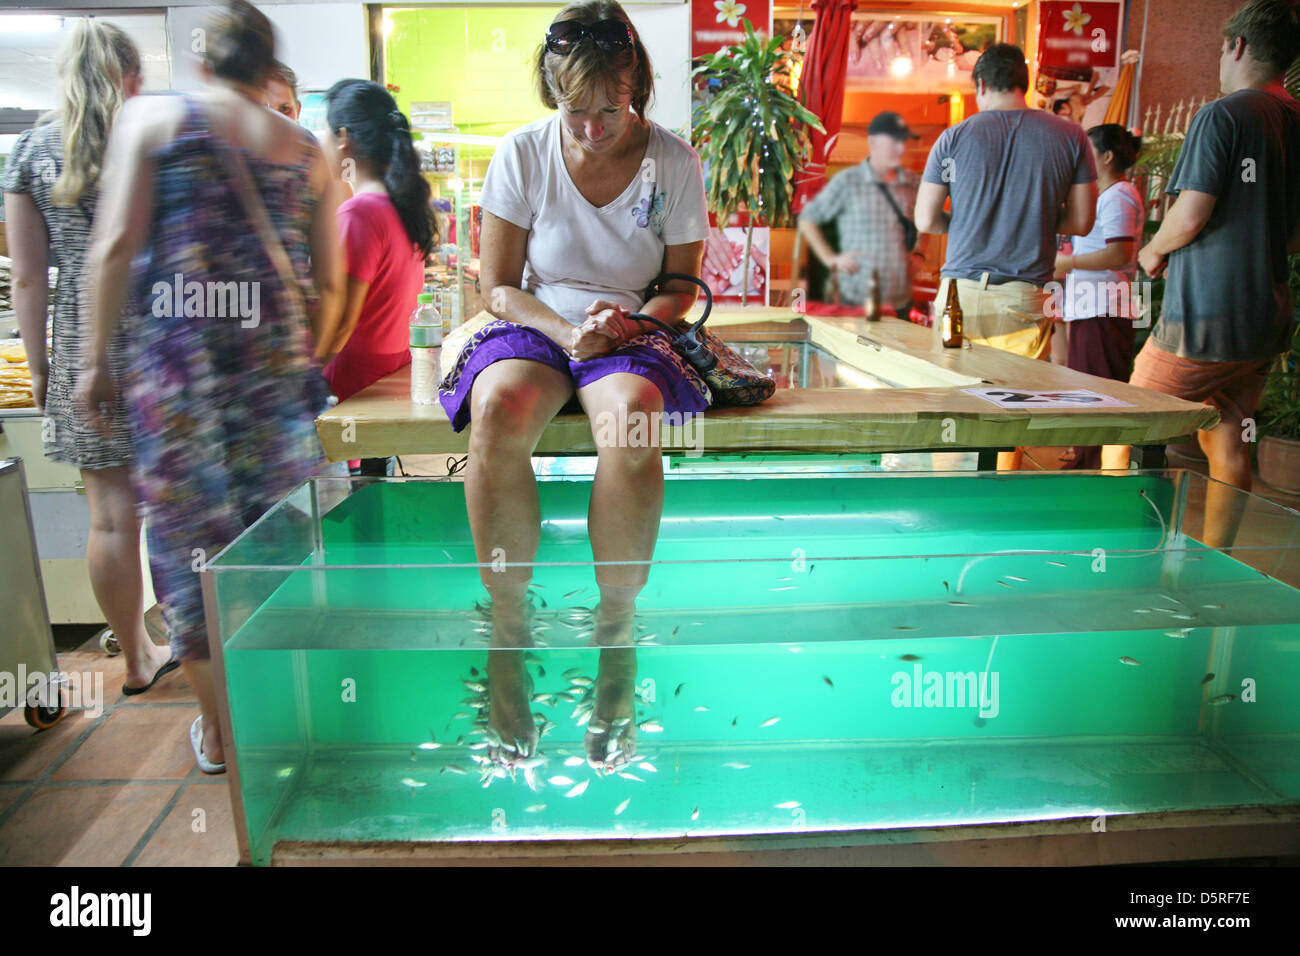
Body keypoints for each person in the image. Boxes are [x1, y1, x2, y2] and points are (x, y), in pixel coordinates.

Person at [75, 0, 345, 773]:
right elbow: (328, 281)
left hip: (179, 388)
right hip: (274, 391)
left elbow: (115, 246)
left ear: (200, 61)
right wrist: (300, 358)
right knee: (280, 552)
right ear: (268, 71)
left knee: (193, 558)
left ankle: (223, 735)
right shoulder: (306, 150)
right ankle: (286, 720)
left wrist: (94, 361)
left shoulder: (154, 124)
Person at [438, 0, 709, 769]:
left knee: (631, 421)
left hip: (629, 324)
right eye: (575, 110)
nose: (593, 128)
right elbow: (497, 286)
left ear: (639, 89)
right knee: (496, 410)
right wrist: (565, 333)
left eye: (611, 110)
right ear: (552, 95)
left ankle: (616, 635)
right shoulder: (522, 154)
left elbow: (680, 285)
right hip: (538, 319)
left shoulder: (674, 162)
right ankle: (507, 627)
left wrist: (623, 327)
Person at [2, 21, 178, 697]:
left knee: (109, 516)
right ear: (131, 73)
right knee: (173, 510)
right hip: (164, 340)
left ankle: (135, 660)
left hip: (82, 349)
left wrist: (43, 367)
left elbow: (26, 275)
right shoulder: (156, 141)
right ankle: (194, 648)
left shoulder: (31, 151)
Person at [1134, 0, 1300, 546]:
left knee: (1131, 422)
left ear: (1238, 47)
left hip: (1205, 316)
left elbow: (1189, 213)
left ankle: (1129, 546)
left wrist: (1153, 250)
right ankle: (1214, 558)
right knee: (1228, 434)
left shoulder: (1223, 115)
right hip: (1264, 318)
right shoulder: (1294, 118)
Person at [915, 42, 1098, 470]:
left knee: (954, 404)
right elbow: (1083, 222)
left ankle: (948, 502)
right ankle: (995, 505)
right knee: (1009, 410)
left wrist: (963, 225)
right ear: (1026, 83)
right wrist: (1033, 218)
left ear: (980, 84)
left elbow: (925, 218)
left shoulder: (954, 137)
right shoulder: (1070, 135)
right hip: (1024, 295)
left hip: (958, 295)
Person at [319, 79, 436, 477]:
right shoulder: (400, 209)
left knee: (346, 506)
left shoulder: (360, 214)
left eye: (324, 130)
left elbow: (340, 322)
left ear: (343, 139)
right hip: (389, 378)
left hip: (352, 386)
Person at [1054, 124, 1145, 471]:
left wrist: (1068, 262)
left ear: (1107, 157)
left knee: (1094, 395)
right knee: (1084, 389)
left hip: (1104, 307)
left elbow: (1119, 254)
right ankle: (1085, 464)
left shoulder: (1119, 195)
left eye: (1088, 153)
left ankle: (1087, 471)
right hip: (1091, 306)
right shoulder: (1103, 196)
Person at [798, 111, 930, 315]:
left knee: (898, 345)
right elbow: (808, 219)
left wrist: (920, 254)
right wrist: (831, 259)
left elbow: (926, 218)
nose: (900, 148)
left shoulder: (913, 183)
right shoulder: (848, 181)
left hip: (898, 295)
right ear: (874, 143)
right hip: (855, 295)